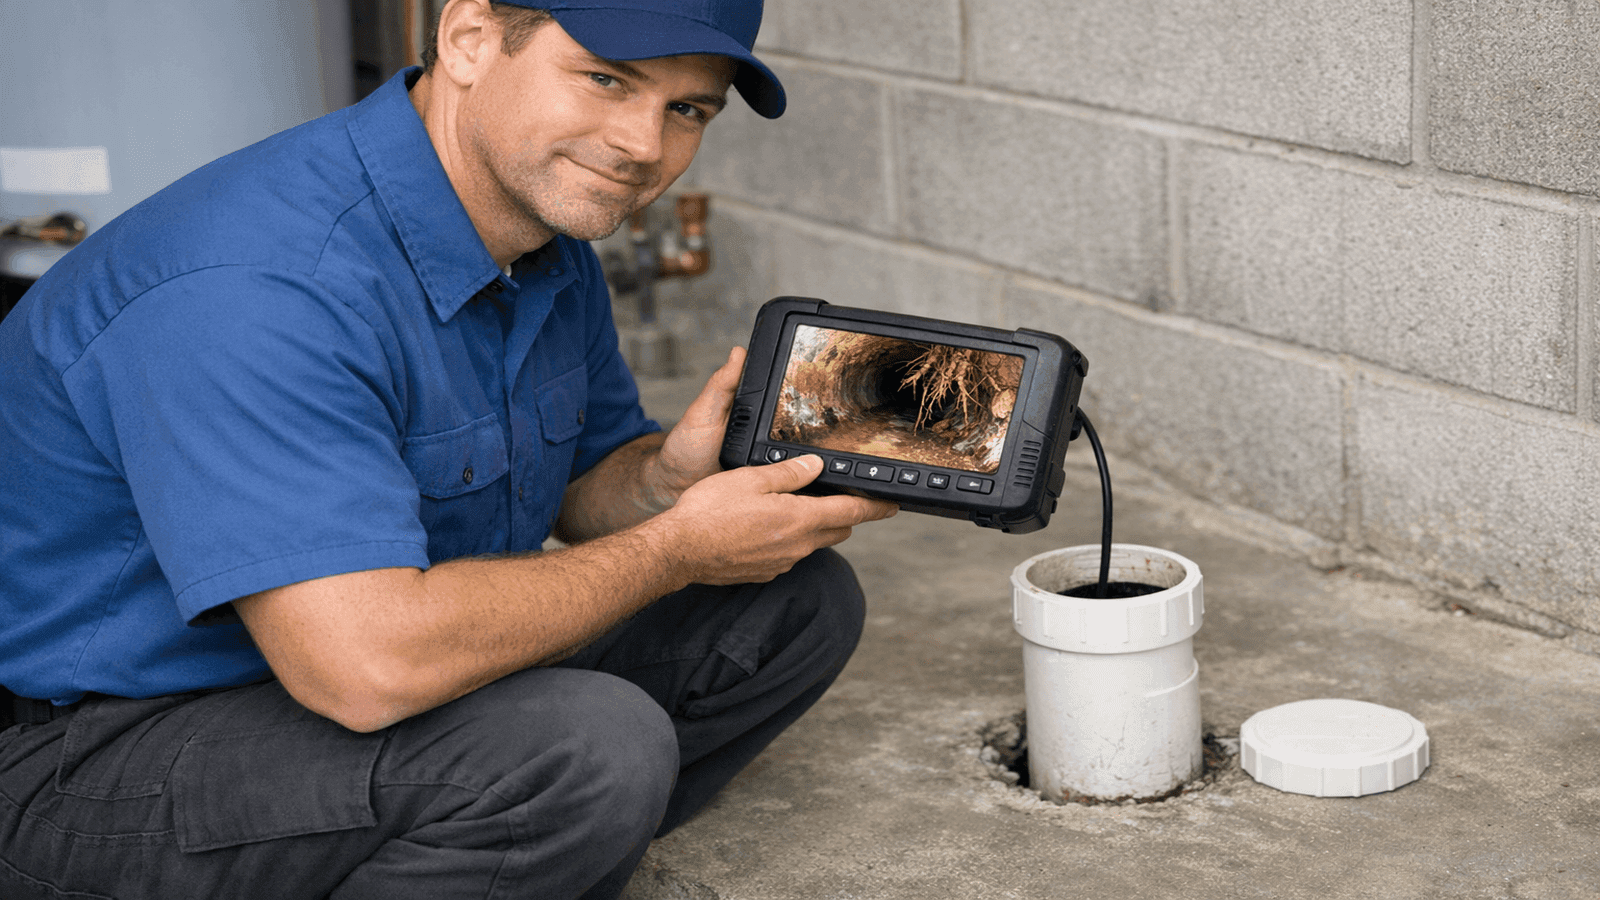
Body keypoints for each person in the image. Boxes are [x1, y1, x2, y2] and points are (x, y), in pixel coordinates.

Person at [0, 1, 897, 897]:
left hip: (349, 684)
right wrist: (674, 549)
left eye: (687, 109)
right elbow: (367, 666)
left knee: (791, 604)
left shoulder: (539, 224)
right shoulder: (256, 289)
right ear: (468, 38)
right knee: (584, 750)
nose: (640, 145)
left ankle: (494, 848)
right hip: (95, 751)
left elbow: (581, 490)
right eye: (605, 79)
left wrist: (664, 485)